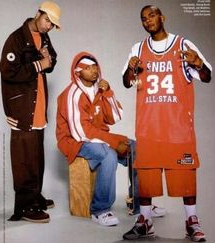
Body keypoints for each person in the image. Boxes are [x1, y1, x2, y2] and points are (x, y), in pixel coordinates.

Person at [122, 5, 212, 242]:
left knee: (185, 174)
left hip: (177, 127)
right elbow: (126, 82)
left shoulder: (184, 45)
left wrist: (199, 63)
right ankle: (145, 221)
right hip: (149, 127)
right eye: (143, 18)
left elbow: (207, 76)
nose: (147, 21)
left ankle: (191, 221)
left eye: (151, 15)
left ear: (163, 17)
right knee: (147, 175)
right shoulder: (138, 49)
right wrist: (131, 70)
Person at [0, 1, 61, 223]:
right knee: (24, 159)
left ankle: (34, 196)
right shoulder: (16, 38)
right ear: (38, 14)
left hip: (39, 107)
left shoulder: (44, 37)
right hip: (23, 109)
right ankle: (25, 207)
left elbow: (51, 60)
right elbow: (8, 72)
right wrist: (39, 65)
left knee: (36, 157)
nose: (49, 27)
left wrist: (48, 58)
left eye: (53, 25)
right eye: (47, 21)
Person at [56, 51, 133, 226]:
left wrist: (109, 94)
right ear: (77, 72)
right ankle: (100, 210)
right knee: (109, 155)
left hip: (95, 137)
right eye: (87, 68)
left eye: (94, 66)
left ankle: (137, 203)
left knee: (135, 148)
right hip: (74, 141)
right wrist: (113, 142)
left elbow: (114, 117)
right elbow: (80, 132)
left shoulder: (99, 89)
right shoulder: (72, 94)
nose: (93, 70)